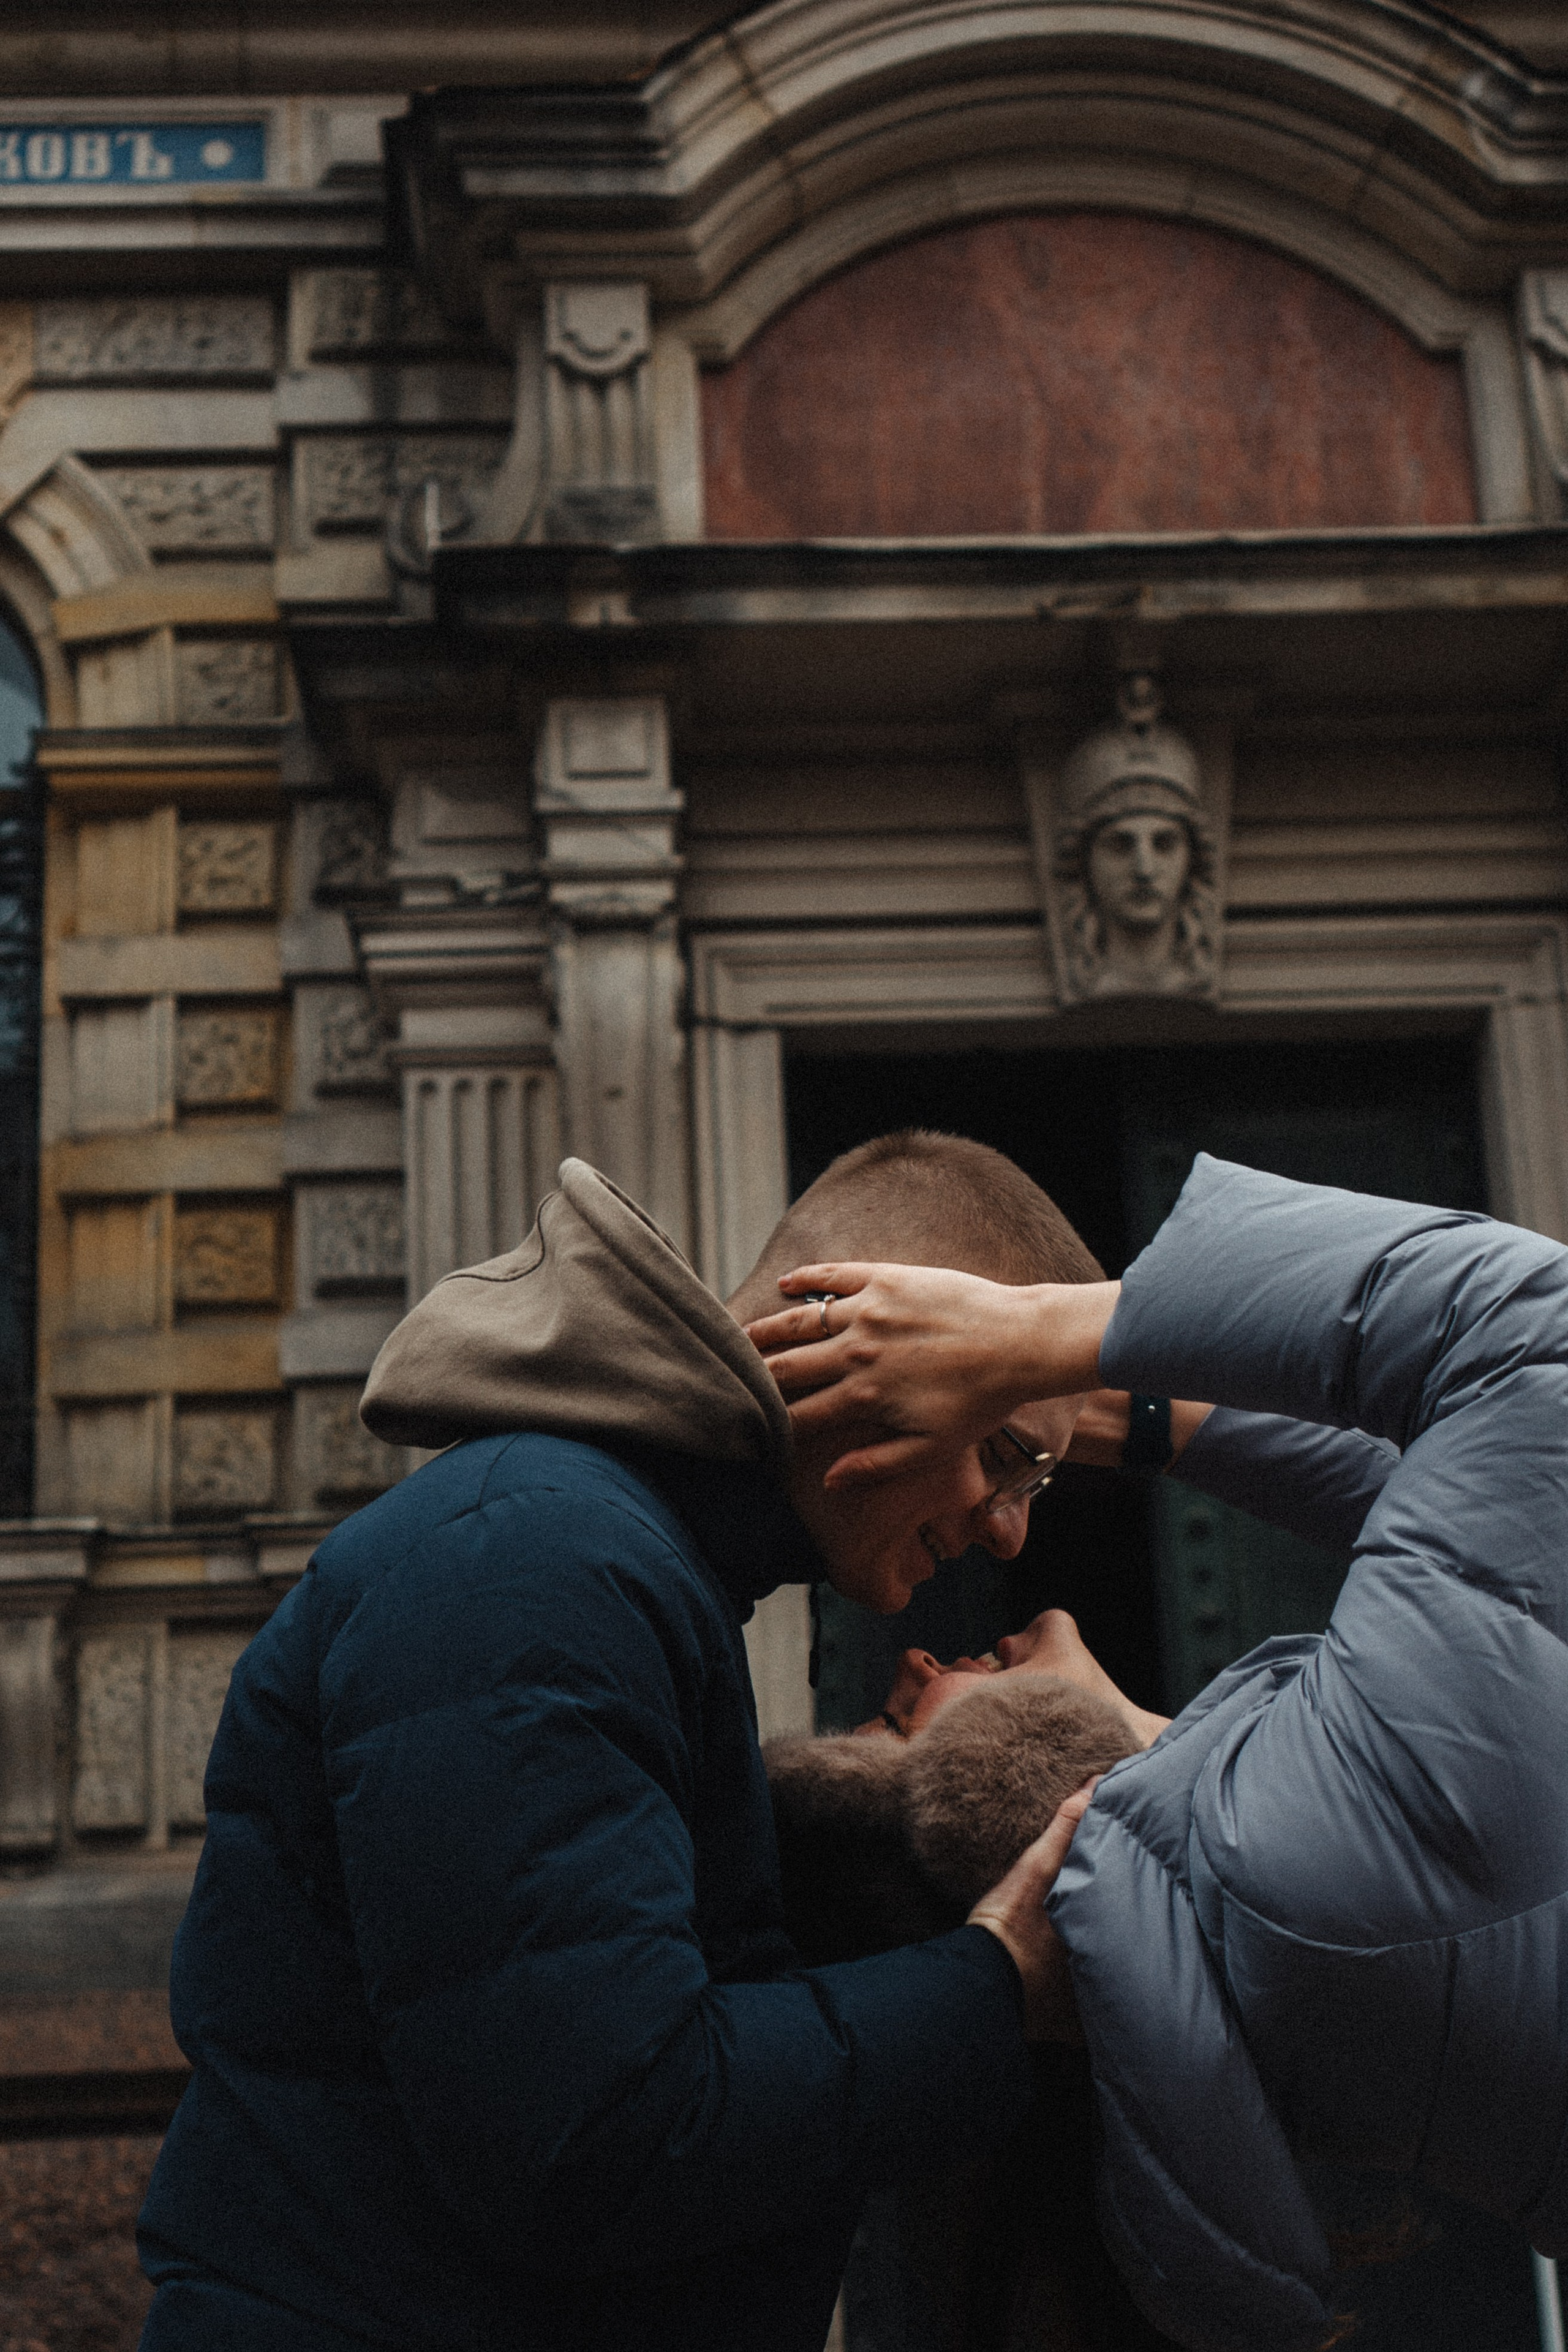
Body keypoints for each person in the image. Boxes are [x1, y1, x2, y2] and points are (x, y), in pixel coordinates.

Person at [137, 1135, 1108, 2352]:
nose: (1011, 1532)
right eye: (1008, 1456)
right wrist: (996, 1986)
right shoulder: (538, 1563)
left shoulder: (608, 1552)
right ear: (858, 1348)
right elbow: (590, 2140)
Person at [748, 1152, 1568, 2352]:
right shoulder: (1281, 1860)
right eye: (895, 1721)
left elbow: (1475, 1542)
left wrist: (1094, 1417)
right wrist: (1038, 1340)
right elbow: (1526, 1342)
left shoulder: (1233, 1920)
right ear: (1004, 1818)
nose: (914, 1659)